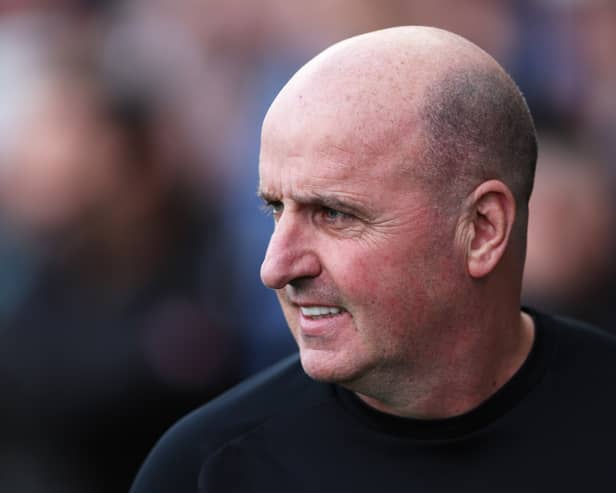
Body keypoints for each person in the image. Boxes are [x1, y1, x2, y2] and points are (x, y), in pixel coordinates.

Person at [129, 26, 616, 493]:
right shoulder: (205, 470)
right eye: (276, 209)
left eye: (334, 214)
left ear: (483, 230)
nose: (275, 267)